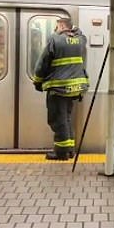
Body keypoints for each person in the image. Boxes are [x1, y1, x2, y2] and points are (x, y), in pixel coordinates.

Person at [32, 17, 89, 160]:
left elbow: (43, 63)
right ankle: (69, 150)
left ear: (62, 26)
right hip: (74, 87)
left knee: (58, 119)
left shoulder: (54, 40)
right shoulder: (80, 40)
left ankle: (61, 152)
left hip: (58, 86)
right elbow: (81, 34)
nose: (55, 30)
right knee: (67, 118)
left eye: (56, 27)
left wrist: (37, 81)